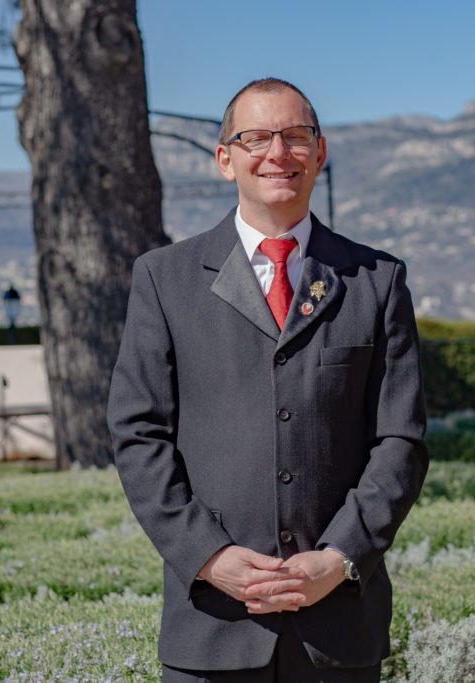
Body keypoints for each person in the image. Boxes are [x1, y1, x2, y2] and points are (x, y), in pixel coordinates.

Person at [108, 77, 429, 682]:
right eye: (256, 137)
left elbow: (401, 441)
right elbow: (138, 434)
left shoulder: (378, 281)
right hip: (212, 626)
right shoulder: (163, 279)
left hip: (338, 630)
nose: (278, 153)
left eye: (296, 136)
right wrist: (209, 557)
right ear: (226, 159)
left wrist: (339, 558)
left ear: (320, 152)